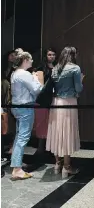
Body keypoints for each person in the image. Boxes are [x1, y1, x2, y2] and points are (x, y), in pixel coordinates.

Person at [46, 46, 83, 178]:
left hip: (56, 103)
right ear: (73, 55)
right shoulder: (75, 68)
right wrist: (81, 81)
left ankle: (57, 164)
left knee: (56, 132)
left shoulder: (55, 68)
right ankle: (67, 167)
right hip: (69, 102)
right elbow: (78, 88)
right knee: (67, 132)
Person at [9, 49, 42, 180]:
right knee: (23, 137)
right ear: (25, 60)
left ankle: (16, 162)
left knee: (19, 135)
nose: (32, 61)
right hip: (25, 107)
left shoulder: (15, 73)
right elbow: (37, 90)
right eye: (30, 59)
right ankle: (17, 169)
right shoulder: (25, 74)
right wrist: (36, 78)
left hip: (16, 107)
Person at [33, 48, 57, 160]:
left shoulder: (58, 68)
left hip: (54, 97)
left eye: (53, 54)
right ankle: (40, 148)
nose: (51, 56)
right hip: (43, 98)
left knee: (52, 123)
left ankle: (50, 148)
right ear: (45, 56)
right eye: (49, 54)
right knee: (42, 122)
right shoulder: (41, 68)